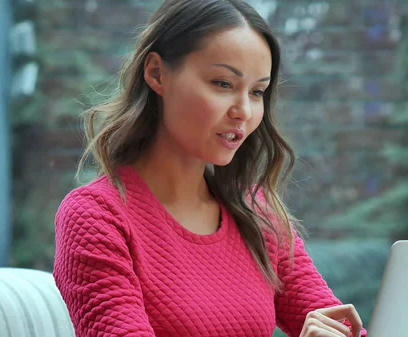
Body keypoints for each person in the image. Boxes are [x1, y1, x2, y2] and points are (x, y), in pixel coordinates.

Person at [53, 0, 367, 336]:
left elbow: (338, 324)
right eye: (223, 83)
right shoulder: (95, 217)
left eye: (258, 91)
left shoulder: (256, 213)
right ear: (157, 73)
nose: (244, 111)